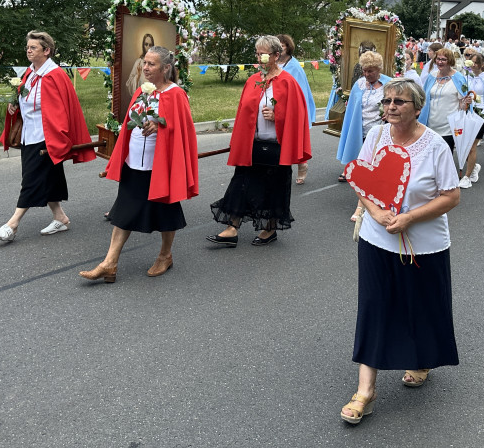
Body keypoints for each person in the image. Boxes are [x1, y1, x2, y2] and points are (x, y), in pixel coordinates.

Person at [341, 79, 460, 425]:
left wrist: (409, 217)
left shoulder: (435, 145)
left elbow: (451, 196)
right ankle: (366, 390)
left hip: (425, 243)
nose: (391, 106)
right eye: (387, 101)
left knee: (420, 304)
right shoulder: (376, 137)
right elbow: (360, 179)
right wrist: (375, 213)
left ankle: (421, 359)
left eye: (400, 102)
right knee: (374, 306)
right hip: (376, 238)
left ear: (417, 108)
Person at [80, 46, 198, 283]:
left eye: (151, 64)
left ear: (166, 68)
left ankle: (165, 255)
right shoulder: (142, 92)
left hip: (160, 165)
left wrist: (161, 127)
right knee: (123, 211)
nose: (145, 67)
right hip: (134, 161)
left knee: (166, 210)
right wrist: (117, 161)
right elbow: (127, 126)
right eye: (145, 62)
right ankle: (109, 263)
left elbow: (184, 130)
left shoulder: (176, 94)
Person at [207, 35, 311, 247]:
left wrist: (277, 117)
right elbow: (243, 113)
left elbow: (298, 116)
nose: (259, 57)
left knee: (274, 186)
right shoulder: (253, 80)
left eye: (263, 53)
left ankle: (270, 228)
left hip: (276, 146)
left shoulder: (288, 82)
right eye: (257, 53)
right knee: (241, 182)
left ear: (275, 55)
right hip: (253, 144)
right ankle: (231, 228)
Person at [0, 31, 95, 242]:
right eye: (28, 47)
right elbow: (26, 98)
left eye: (33, 48)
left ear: (46, 51)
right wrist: (15, 105)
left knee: (31, 180)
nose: (28, 51)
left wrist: (59, 138)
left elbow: (62, 110)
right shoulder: (30, 73)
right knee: (49, 177)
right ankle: (60, 217)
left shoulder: (55, 75)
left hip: (46, 137)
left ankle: (12, 225)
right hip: (29, 135)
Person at [418, 48, 469, 185]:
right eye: (438, 59)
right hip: (430, 122)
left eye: (443, 59)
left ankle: (445, 184)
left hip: (448, 125)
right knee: (428, 154)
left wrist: (466, 103)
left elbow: (462, 105)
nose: (440, 62)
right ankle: (429, 181)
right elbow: (423, 97)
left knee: (444, 155)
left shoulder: (458, 78)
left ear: (450, 61)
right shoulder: (432, 76)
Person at [337, 50, 390, 176]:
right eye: (364, 70)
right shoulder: (359, 84)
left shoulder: (389, 84)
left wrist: (388, 113)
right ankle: (352, 167)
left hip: (378, 126)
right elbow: (352, 107)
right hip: (360, 125)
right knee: (358, 149)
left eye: (370, 71)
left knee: (375, 156)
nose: (366, 74)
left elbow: (396, 103)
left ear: (379, 69)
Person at [278, 34, 316, 185]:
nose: (280, 48)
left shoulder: (294, 67)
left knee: (296, 137)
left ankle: (302, 164)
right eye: (278, 45)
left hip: (291, 106)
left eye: (283, 45)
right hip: (275, 107)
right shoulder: (273, 64)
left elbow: (300, 93)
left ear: (288, 47)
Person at [463, 53, 484, 186]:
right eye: (472, 62)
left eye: (476, 63)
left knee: (471, 147)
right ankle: (473, 166)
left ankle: (467, 176)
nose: (474, 65)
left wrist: (482, 115)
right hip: (466, 113)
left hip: (479, 114)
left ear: (482, 65)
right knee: (462, 145)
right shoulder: (466, 77)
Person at [126, 32, 156, 96]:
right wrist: (138, 76)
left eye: (150, 45)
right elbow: (129, 82)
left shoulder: (156, 62)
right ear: (143, 45)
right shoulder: (139, 62)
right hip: (141, 95)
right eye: (146, 44)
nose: (148, 47)